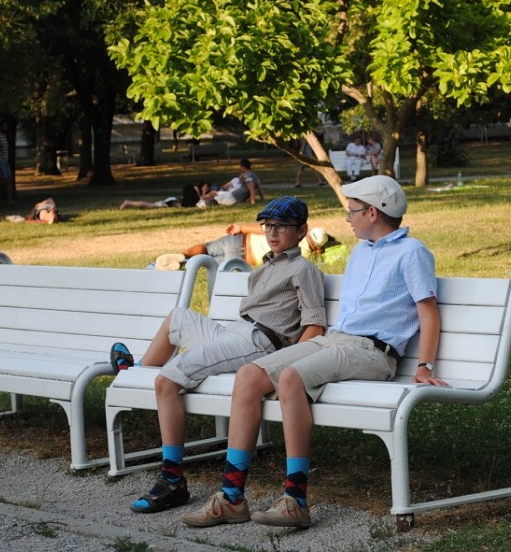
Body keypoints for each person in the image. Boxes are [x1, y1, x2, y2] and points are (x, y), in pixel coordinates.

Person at [178, 175, 446, 530]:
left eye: (352, 212)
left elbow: (428, 311)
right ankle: (231, 497)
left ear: (372, 212)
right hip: (337, 340)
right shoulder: (362, 251)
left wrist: (424, 365)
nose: (347, 219)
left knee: (290, 379)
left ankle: (296, 500)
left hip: (372, 351)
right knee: (250, 376)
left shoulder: (412, 253)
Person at [111, 196, 327, 515]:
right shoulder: (267, 265)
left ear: (301, 231)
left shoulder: (304, 270)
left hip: (259, 342)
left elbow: (315, 325)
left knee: (168, 380)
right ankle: (135, 370)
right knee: (178, 318)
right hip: (235, 332)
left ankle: (172, 480)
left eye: (282, 226)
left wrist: (288, 365)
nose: (272, 232)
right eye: (268, 225)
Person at [153, 223, 346, 270]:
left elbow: (263, 228)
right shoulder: (300, 253)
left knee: (205, 247)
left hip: (241, 240)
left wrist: (241, 227)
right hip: (243, 259)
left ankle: (182, 255)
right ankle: (186, 265)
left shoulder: (290, 231)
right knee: (210, 263)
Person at [198, 159, 264, 206]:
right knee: (214, 195)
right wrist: (262, 199)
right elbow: (259, 188)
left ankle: (200, 199)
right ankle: (202, 200)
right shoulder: (254, 175)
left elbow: (252, 190)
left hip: (234, 197)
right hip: (235, 196)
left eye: (240, 166)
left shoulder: (247, 176)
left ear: (243, 167)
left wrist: (253, 203)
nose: (240, 168)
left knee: (213, 193)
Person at [119, 183, 206, 210]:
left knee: (152, 205)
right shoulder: (196, 202)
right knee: (152, 205)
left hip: (173, 200)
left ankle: (129, 203)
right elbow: (203, 204)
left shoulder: (190, 201)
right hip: (171, 201)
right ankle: (128, 202)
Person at [0, 122, 15, 202]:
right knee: (3, 180)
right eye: (5, 126)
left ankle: (9, 198)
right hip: (0, 161)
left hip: (5, 161)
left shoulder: (5, 136)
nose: (7, 127)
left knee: (9, 179)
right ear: (1, 127)